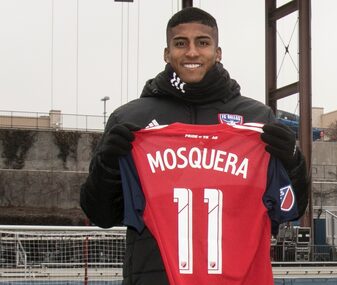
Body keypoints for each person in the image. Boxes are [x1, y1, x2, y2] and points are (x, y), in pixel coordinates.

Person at [80, 7, 309, 285]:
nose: (191, 52)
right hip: (154, 278)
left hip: (236, 277)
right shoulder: (131, 120)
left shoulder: (256, 119)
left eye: (202, 42)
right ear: (167, 53)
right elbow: (102, 214)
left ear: (218, 51)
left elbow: (291, 208)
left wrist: (294, 161)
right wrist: (107, 165)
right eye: (180, 43)